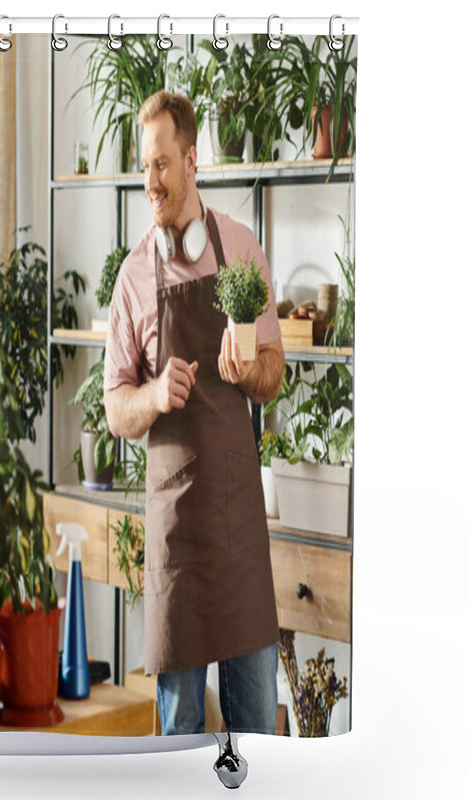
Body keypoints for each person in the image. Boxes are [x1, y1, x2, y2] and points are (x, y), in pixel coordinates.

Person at [103, 91, 285, 736]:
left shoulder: (240, 248)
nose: (150, 181)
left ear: (190, 158)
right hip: (176, 534)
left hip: (240, 530)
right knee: (178, 730)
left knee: (258, 723)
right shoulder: (132, 277)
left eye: (160, 165)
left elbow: (275, 370)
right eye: (143, 167)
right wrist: (153, 396)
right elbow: (113, 406)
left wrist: (250, 370)